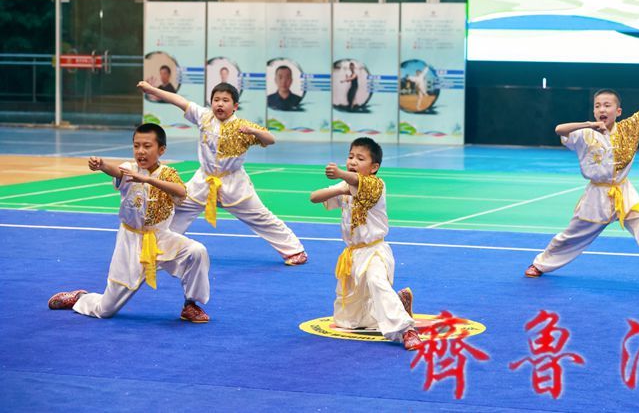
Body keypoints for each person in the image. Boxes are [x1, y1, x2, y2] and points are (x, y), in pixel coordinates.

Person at [524, 73, 639, 292]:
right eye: (597, 106)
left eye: (607, 105)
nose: (602, 109)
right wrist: (589, 125)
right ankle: (540, 264)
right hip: (596, 195)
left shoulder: (629, 128)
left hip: (624, 193)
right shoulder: (584, 133)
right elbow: (559, 129)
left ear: (618, 111)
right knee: (572, 235)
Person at [47, 123, 211, 322]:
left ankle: (190, 305)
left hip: (161, 238)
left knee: (196, 251)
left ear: (161, 150)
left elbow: (181, 191)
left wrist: (148, 180)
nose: (140, 151)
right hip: (130, 242)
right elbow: (116, 171)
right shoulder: (129, 169)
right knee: (105, 310)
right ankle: (81, 298)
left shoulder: (168, 174)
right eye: (136, 146)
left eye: (147, 146)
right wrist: (102, 165)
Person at [136, 81, 308, 266]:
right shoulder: (204, 117)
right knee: (177, 210)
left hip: (234, 185)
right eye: (216, 100)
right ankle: (160, 249)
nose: (219, 104)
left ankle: (295, 251)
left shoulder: (243, 126)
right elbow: (179, 101)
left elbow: (270, 139)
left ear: (235, 106)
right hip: (202, 183)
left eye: (225, 100)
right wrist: (151, 90)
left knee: (261, 217)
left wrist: (254, 131)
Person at [310, 137, 422, 350]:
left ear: (374, 167)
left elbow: (355, 181)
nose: (353, 161)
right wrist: (341, 188)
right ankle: (399, 303)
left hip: (375, 251)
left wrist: (341, 175)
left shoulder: (376, 185)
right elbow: (314, 197)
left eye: (360, 158)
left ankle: (407, 330)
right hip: (353, 256)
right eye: (350, 156)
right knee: (350, 321)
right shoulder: (346, 186)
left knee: (376, 282)